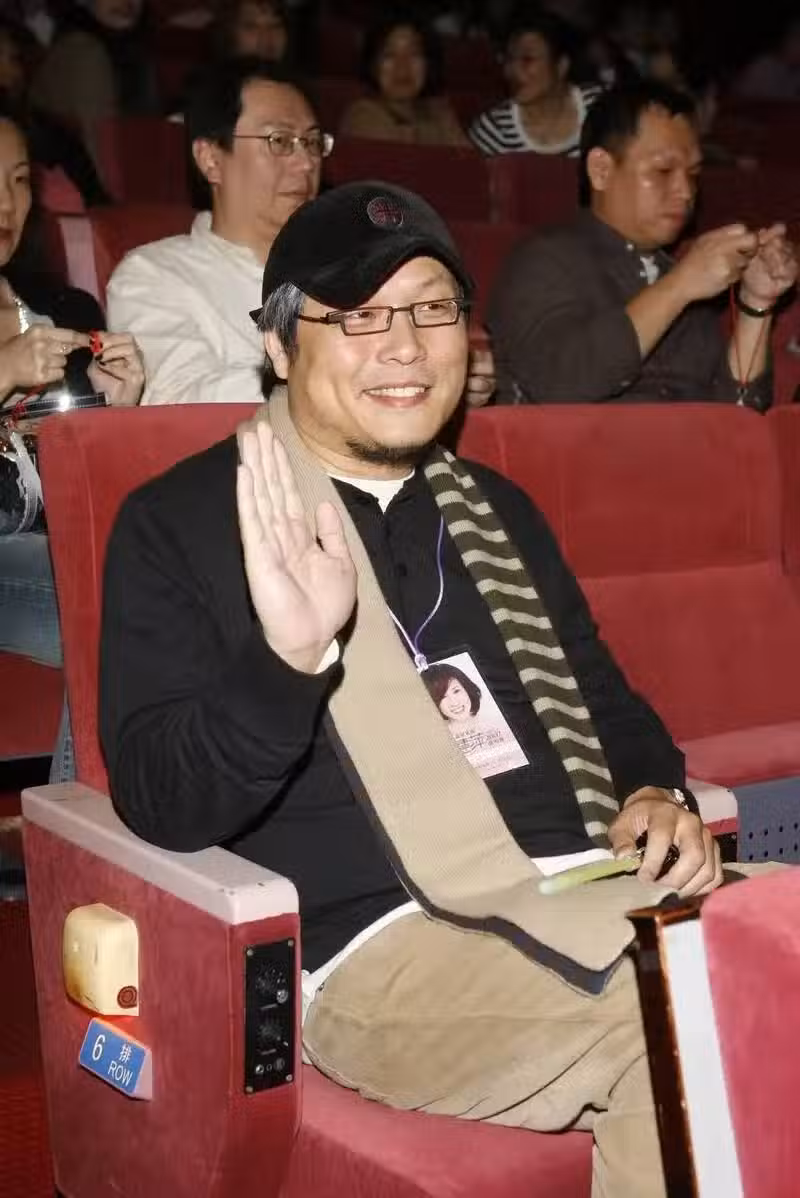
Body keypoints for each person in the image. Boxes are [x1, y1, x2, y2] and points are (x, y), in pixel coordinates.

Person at [100, 179, 731, 1197]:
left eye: (431, 309)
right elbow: (160, 801)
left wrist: (656, 790)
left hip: (587, 886)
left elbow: (609, 707)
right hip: (379, 951)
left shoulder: (497, 513)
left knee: (760, 970)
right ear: (277, 345)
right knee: (691, 1018)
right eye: (358, 316)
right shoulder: (183, 522)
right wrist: (285, 664)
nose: (403, 346)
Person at [487, 80, 797, 405]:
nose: (686, 191)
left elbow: (737, 416)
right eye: (663, 171)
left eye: (693, 174)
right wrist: (679, 286)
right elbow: (562, 382)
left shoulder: (681, 274)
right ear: (601, 170)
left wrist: (756, 304)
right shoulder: (543, 260)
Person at [0, 100, 144, 781]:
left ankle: (73, 828)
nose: (7, 202)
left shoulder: (57, 310)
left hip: (43, 548)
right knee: (104, 603)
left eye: (19, 180)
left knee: (145, 593)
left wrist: (116, 409)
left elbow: (84, 485)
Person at [106, 58, 326, 406]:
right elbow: (183, 400)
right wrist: (335, 378)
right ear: (210, 159)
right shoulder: (153, 275)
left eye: (312, 143)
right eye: (280, 141)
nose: (306, 162)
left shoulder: (349, 265)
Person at [30, 0, 158, 187]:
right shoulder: (85, 51)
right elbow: (102, 154)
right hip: (84, 193)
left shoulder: (132, 51)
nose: (127, 2)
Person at [0, 17, 112, 206]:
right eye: (13, 59)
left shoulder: (50, 137)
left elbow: (94, 201)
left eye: (15, 59)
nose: (15, 72)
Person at [469, 8, 601, 156]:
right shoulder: (495, 130)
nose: (513, 71)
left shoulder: (599, 106)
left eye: (528, 59)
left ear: (561, 66)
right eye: (509, 59)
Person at [338, 9, 469, 147]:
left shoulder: (441, 114)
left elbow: (467, 159)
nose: (402, 67)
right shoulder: (364, 116)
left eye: (414, 53)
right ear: (373, 65)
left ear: (429, 63)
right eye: (389, 55)